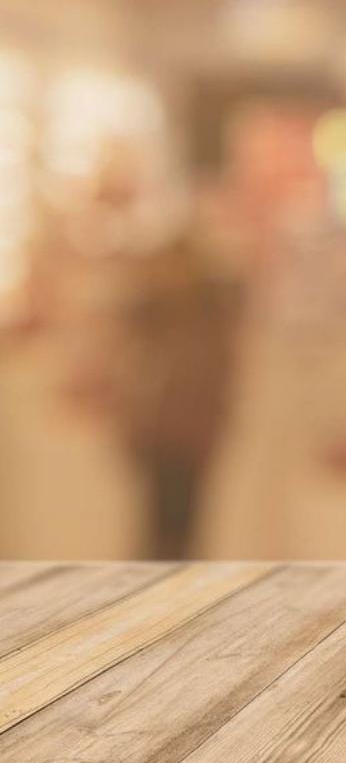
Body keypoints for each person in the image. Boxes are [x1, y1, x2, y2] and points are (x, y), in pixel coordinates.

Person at [114, 232, 240, 559]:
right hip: (161, 434)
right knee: (156, 523)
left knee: (180, 526)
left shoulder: (207, 322)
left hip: (186, 436)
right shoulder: (154, 316)